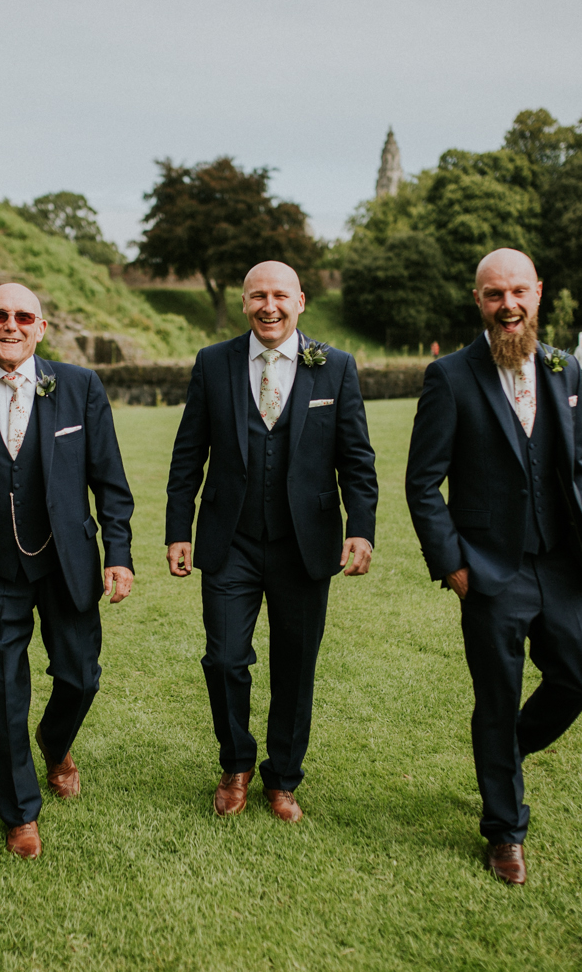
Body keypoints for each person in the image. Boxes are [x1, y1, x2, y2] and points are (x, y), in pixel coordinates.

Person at [404, 248, 582, 886]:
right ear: (479, 301)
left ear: (539, 293)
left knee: (579, 680)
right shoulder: (450, 376)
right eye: (495, 294)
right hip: (489, 572)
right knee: (497, 699)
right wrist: (454, 567)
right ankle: (505, 832)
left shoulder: (563, 369)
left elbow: (578, 468)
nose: (508, 305)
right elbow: (421, 484)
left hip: (562, 566)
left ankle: (505, 752)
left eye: (518, 291)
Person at [0, 284, 135, 859]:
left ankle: (54, 742)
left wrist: (119, 553)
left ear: (41, 327)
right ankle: (19, 813)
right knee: (5, 690)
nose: (11, 325)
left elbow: (109, 479)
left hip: (68, 562)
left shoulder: (81, 386)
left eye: (23, 316)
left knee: (80, 677)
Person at [165, 261, 378, 823]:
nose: (269, 306)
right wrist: (176, 531)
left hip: (303, 546)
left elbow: (357, 458)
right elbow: (189, 453)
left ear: (300, 301)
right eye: (258, 296)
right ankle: (236, 764)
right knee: (225, 659)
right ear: (244, 303)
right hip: (229, 542)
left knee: (295, 665)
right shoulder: (214, 363)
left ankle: (282, 778)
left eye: (279, 295)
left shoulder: (334, 367)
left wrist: (361, 526)